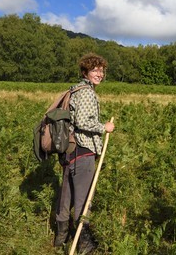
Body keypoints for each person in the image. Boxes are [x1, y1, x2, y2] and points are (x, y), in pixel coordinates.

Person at [54, 53, 115, 254]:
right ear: (85, 72)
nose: (100, 74)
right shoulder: (87, 93)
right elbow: (83, 122)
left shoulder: (75, 90)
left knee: (66, 196)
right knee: (84, 199)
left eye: (101, 70)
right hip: (84, 151)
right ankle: (84, 244)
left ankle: (60, 239)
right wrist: (103, 127)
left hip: (70, 152)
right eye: (95, 70)